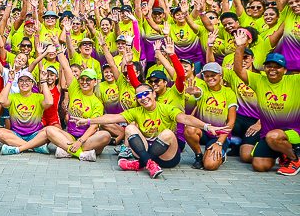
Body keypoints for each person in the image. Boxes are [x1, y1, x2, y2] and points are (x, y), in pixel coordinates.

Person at [78, 83, 224, 178]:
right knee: (130, 128)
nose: (143, 98)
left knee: (167, 133)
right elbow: (112, 117)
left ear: (154, 94)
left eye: (146, 93)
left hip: (167, 156)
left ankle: (140, 164)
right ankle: (149, 163)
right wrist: (89, 120)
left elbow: (185, 118)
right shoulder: (136, 111)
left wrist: (206, 126)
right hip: (146, 149)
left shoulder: (166, 108)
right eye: (139, 96)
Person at [232, 32, 300, 175]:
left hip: (293, 132)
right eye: (269, 66)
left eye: (277, 67)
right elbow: (238, 70)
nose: (272, 69)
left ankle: (295, 159)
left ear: (285, 70)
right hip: (268, 134)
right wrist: (240, 47)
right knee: (259, 165)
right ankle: (283, 153)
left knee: (273, 136)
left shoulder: (295, 81)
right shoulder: (259, 80)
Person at [46, 46, 110, 162]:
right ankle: (81, 154)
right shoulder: (75, 88)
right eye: (82, 79)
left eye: (88, 80)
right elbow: (66, 66)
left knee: (105, 135)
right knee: (49, 130)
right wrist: (57, 46)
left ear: (95, 82)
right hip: (70, 136)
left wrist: (80, 141)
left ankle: (67, 150)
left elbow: (94, 126)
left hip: (87, 139)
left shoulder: (97, 103)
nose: (84, 82)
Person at [183, 62, 236, 171]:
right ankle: (198, 155)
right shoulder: (203, 86)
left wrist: (219, 143)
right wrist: (194, 92)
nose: (210, 78)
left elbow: (231, 122)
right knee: (189, 129)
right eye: (207, 76)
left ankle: (220, 155)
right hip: (204, 131)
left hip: (219, 134)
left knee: (209, 165)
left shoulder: (229, 93)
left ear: (220, 75)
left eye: (213, 75)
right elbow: (198, 91)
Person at [0, 69, 53, 155]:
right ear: (18, 84)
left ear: (32, 84)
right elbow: (2, 101)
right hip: (16, 135)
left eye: (28, 80)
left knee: (49, 132)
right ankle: (34, 147)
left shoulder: (38, 97)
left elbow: (49, 102)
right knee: (0, 133)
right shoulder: (13, 97)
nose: (24, 83)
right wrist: (10, 80)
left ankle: (19, 147)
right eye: (21, 80)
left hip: (35, 135)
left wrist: (44, 81)